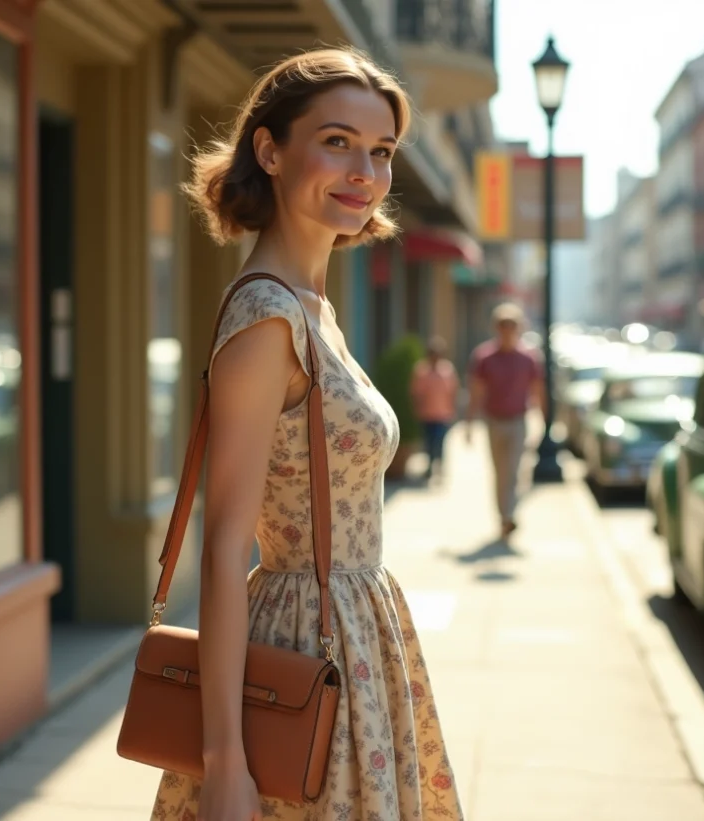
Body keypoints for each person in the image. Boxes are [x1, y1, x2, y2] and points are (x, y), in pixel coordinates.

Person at [150, 47, 463, 820]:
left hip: (354, 632)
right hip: (302, 639)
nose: (365, 171)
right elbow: (224, 547)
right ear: (270, 150)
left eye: (381, 151)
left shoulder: (311, 307)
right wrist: (225, 762)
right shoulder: (268, 317)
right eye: (337, 142)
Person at [465, 302, 546, 539]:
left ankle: (508, 515)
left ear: (519, 328)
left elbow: (537, 390)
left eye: (512, 325)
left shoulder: (529, 358)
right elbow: (476, 392)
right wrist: (469, 423)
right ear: (496, 328)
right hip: (493, 421)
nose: (507, 330)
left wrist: (542, 419)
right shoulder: (484, 357)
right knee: (500, 472)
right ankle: (504, 516)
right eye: (503, 325)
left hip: (518, 421)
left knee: (513, 471)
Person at [409, 335, 460, 479]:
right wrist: (417, 408)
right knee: (428, 442)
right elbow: (416, 393)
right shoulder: (421, 370)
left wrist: (453, 409)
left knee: (440, 442)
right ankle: (430, 466)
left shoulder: (447, 370)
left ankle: (440, 466)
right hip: (427, 414)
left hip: (443, 414)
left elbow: (453, 391)